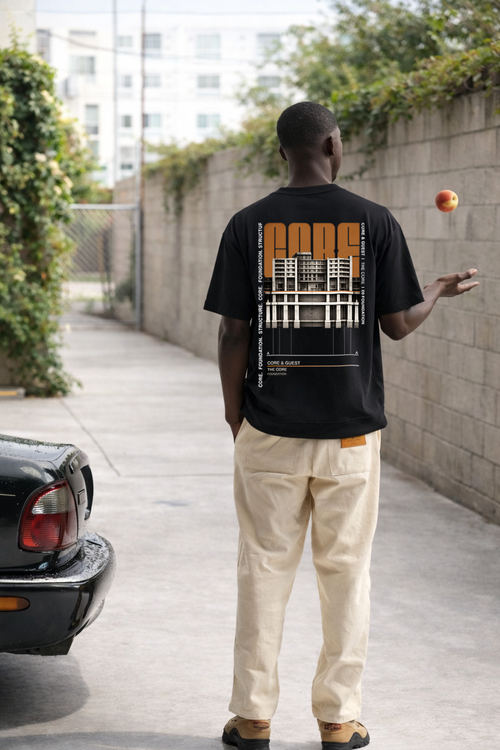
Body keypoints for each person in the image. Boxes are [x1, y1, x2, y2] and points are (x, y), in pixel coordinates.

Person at [203, 101, 479, 750]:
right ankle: (337, 719)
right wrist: (435, 292)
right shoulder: (374, 222)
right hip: (350, 436)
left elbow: (233, 332)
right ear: (333, 145)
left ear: (283, 152)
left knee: (262, 570)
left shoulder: (247, 225)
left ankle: (253, 717)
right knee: (346, 574)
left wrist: (235, 414)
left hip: (268, 430)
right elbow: (398, 325)